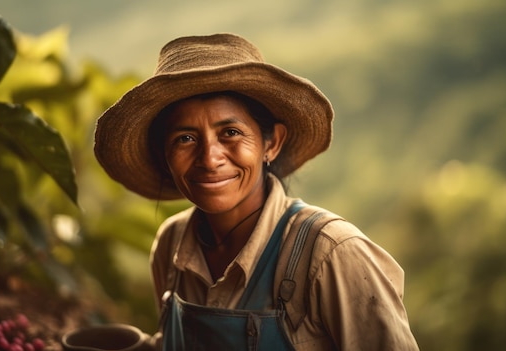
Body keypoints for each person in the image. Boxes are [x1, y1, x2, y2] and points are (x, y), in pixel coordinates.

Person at [94, 33, 419, 350]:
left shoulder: (332, 255)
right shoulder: (172, 244)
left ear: (272, 143)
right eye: (185, 138)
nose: (209, 158)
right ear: (164, 155)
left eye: (231, 132)